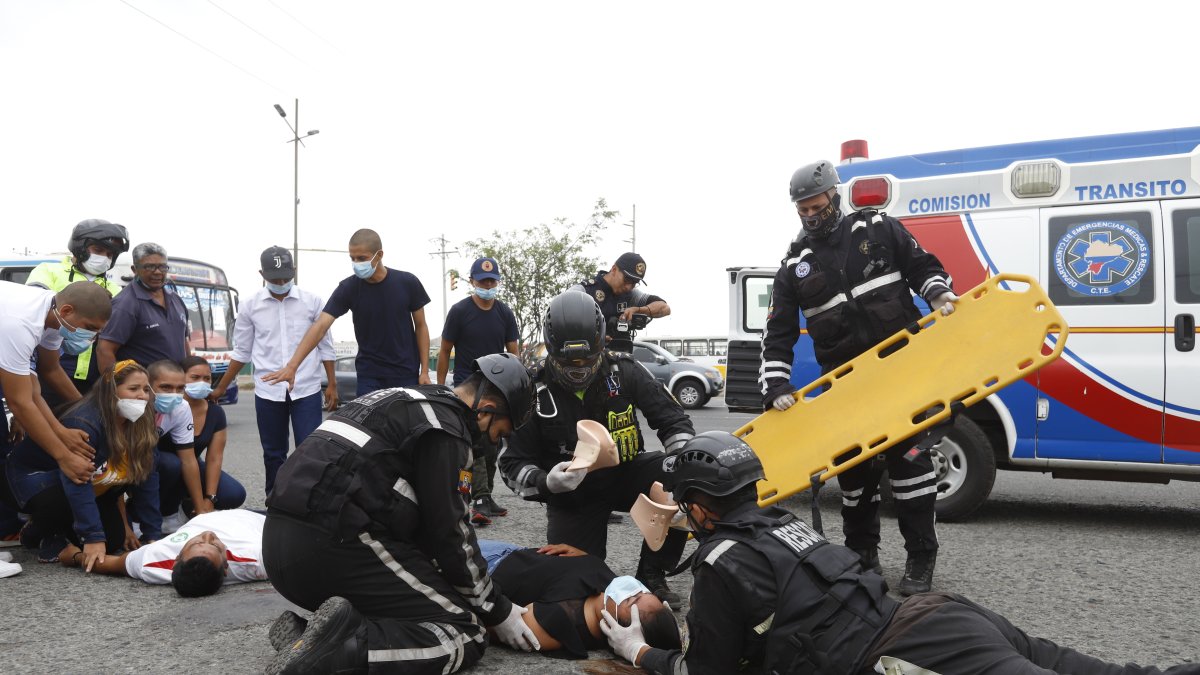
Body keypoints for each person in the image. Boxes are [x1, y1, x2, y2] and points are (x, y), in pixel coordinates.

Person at [604, 431, 1200, 675]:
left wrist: (639, 653)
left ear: (699, 504)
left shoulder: (718, 564)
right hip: (940, 615)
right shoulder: (781, 524)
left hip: (904, 656)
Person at [261, 353, 541, 674]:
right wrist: (497, 610)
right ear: (487, 410)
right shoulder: (445, 429)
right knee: (466, 630)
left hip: (278, 545)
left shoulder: (401, 400)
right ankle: (341, 651)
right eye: (499, 434)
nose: (494, 443)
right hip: (330, 543)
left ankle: (311, 636)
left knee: (421, 603)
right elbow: (450, 535)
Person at [760, 160, 959, 595]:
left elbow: (922, 266)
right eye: (802, 211)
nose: (811, 216)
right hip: (846, 387)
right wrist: (776, 385)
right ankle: (862, 558)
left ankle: (920, 559)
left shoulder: (880, 229)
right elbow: (777, 334)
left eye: (817, 207)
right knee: (855, 479)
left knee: (911, 471)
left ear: (835, 196)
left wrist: (938, 291)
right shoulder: (794, 267)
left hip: (902, 374)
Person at [497, 290, 694, 605]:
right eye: (568, 362)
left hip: (626, 473)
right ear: (551, 349)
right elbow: (511, 463)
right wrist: (545, 481)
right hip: (572, 494)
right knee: (574, 583)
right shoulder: (532, 390)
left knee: (683, 479)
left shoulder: (625, 371)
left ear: (602, 344)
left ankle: (653, 574)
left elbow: (673, 419)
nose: (579, 370)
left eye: (588, 360)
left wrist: (684, 460)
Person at [268, 540, 681, 660]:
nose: (636, 589)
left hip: (470, 578)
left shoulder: (560, 627)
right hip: (498, 550)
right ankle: (322, 633)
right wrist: (582, 553)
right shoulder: (606, 584)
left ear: (618, 631)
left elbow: (494, 621)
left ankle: (321, 639)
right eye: (645, 593)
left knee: (381, 579)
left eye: (635, 602)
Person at [5, 360, 162, 570]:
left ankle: (48, 529)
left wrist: (153, 536)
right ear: (111, 390)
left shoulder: (142, 420)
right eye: (133, 389)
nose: (142, 396)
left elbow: (147, 477)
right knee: (64, 506)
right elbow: (76, 479)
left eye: (145, 389)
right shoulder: (84, 422)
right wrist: (92, 536)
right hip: (37, 478)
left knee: (113, 541)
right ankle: (47, 532)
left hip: (93, 483)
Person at [210, 246, 336, 496]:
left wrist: (331, 383)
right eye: (274, 278)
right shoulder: (249, 306)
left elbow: (326, 346)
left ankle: (307, 501)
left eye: (286, 277)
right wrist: (221, 387)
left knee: (309, 448)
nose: (281, 283)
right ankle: (275, 499)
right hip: (268, 392)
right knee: (273, 452)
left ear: (295, 271)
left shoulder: (313, 302)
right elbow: (242, 352)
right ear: (261, 273)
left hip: (307, 388)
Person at [262, 228, 432, 396]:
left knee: (406, 424)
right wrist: (292, 366)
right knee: (370, 424)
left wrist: (424, 371)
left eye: (362, 258)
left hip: (406, 374)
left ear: (379, 255)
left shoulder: (407, 282)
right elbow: (321, 325)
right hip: (369, 376)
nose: (356, 263)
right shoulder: (348, 288)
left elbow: (421, 326)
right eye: (352, 258)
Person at [0, 280, 113, 492]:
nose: (92, 336)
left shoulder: (55, 315)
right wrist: (64, 456)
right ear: (67, 310)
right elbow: (20, 403)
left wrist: (89, 416)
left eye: (98, 331)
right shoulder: (20, 324)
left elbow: (47, 373)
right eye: (90, 328)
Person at [436, 256, 519, 523]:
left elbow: (514, 353)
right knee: (475, 446)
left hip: (496, 390)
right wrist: (440, 387)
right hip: (468, 390)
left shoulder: (504, 313)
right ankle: (476, 498)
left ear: (497, 283)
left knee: (492, 444)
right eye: (482, 281)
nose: (487, 285)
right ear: (472, 282)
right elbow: (445, 350)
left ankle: (485, 496)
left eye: (492, 281)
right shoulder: (460, 312)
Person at [55, 508, 267, 597]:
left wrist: (75, 557)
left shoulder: (154, 562)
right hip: (257, 518)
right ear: (226, 566)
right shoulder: (256, 560)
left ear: (176, 559)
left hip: (209, 513)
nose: (208, 536)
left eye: (198, 543)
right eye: (215, 546)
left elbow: (109, 563)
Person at [26, 218, 129, 399]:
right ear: (80, 247)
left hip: (93, 376)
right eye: (98, 250)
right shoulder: (48, 271)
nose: (104, 257)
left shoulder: (115, 289)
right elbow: (33, 316)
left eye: (110, 254)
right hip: (47, 367)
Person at [156, 356, 246, 521]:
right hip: (162, 466)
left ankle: (186, 505)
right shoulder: (167, 406)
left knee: (234, 494)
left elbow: (214, 458)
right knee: (172, 465)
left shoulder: (215, 412)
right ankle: (159, 511)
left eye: (207, 378)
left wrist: (208, 499)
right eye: (195, 378)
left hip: (190, 463)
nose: (202, 383)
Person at [96, 242, 191, 375]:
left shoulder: (176, 299)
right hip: (143, 390)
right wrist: (115, 388)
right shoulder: (125, 304)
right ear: (134, 270)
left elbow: (183, 341)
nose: (157, 272)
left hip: (176, 387)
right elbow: (104, 350)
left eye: (162, 267)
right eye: (149, 267)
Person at [570, 251, 670, 326]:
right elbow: (563, 311)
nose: (628, 287)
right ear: (614, 269)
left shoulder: (631, 295)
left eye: (634, 283)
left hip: (622, 351)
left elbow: (665, 308)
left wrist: (639, 310)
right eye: (626, 279)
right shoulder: (584, 290)